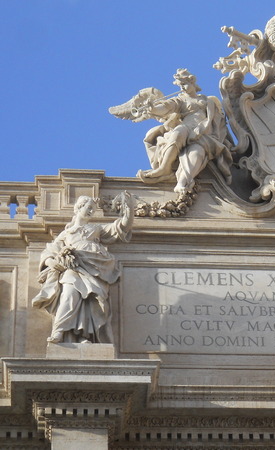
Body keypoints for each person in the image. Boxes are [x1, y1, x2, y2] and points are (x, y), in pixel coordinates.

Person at [32, 192, 135, 344]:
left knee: (93, 302)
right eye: (88, 207)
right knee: (69, 296)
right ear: (78, 208)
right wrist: (52, 262)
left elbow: (122, 226)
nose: (91, 211)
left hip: (96, 269)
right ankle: (59, 332)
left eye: (93, 209)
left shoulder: (97, 229)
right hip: (73, 269)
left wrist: (129, 209)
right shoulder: (67, 233)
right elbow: (49, 251)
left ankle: (84, 336)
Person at [138, 68, 233, 193]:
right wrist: (153, 108)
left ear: (192, 82)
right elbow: (166, 107)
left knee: (196, 153)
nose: (182, 88)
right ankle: (164, 168)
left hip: (203, 133)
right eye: (180, 85)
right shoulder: (180, 100)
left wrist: (203, 128)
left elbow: (217, 122)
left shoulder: (207, 100)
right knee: (177, 133)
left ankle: (182, 183)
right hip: (186, 127)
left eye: (184, 84)